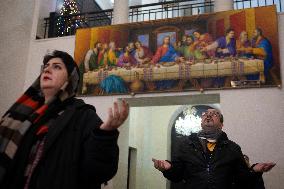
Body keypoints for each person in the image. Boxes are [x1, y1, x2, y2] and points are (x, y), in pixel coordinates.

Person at [0, 50, 129, 189]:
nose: (47, 69)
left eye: (57, 67)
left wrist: (105, 135)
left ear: (69, 80)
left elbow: (99, 172)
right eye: (46, 66)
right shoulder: (23, 114)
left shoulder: (83, 116)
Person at [152, 108, 275, 189]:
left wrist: (254, 170)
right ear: (201, 123)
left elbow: (241, 178)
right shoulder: (186, 145)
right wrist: (168, 167)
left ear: (221, 125)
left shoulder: (232, 148)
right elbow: (177, 175)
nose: (209, 115)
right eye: (205, 114)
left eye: (214, 114)